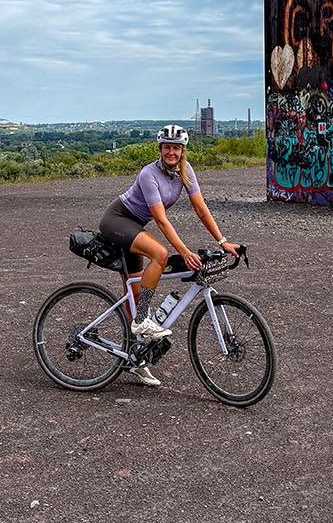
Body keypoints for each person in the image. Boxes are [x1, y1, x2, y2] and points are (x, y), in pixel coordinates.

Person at [98, 124, 240, 387]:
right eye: (166, 147)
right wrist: (184, 252)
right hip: (117, 220)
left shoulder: (185, 171)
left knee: (136, 293)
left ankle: (136, 359)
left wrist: (222, 241)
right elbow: (161, 221)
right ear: (160, 148)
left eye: (176, 148)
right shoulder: (148, 174)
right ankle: (142, 321)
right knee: (160, 255)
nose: (171, 152)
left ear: (183, 150)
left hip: (135, 227)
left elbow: (201, 209)